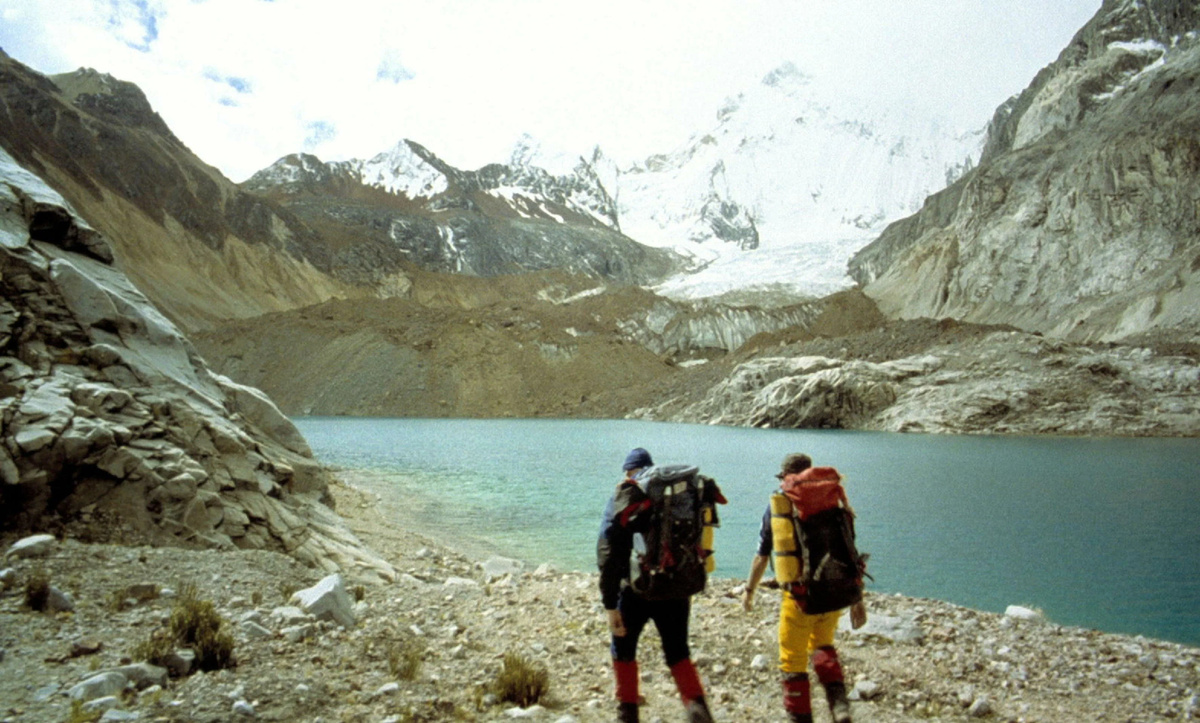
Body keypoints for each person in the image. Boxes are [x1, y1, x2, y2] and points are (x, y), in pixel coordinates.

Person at [742, 453, 862, 723]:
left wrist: (749, 591)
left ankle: (801, 718)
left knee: (792, 660)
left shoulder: (780, 505)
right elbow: (849, 550)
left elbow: (762, 555)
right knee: (823, 645)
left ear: (786, 477)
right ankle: (839, 705)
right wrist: (857, 598)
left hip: (799, 598)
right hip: (833, 592)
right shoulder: (832, 502)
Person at [597, 447, 713, 723]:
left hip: (635, 589)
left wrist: (609, 604)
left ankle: (627, 714)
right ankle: (698, 711)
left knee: (623, 650)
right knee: (677, 652)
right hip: (676, 588)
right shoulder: (683, 495)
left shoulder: (627, 494)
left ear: (628, 472)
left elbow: (609, 552)